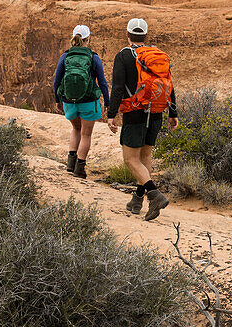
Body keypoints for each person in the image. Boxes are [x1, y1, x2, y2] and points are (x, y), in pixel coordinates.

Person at [108, 17, 177, 221]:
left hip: (135, 112)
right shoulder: (157, 55)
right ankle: (137, 199)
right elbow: (169, 85)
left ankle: (154, 195)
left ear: (127, 34)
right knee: (145, 157)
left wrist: (112, 114)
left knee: (130, 160)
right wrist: (173, 113)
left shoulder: (123, 56)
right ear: (146, 36)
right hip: (156, 112)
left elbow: (118, 88)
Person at [53, 24, 110, 179]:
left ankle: (70, 165)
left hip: (69, 101)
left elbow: (57, 80)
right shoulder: (93, 57)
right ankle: (80, 168)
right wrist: (107, 102)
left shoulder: (65, 56)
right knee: (86, 134)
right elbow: (102, 82)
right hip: (88, 101)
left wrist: (57, 100)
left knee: (76, 130)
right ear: (88, 39)